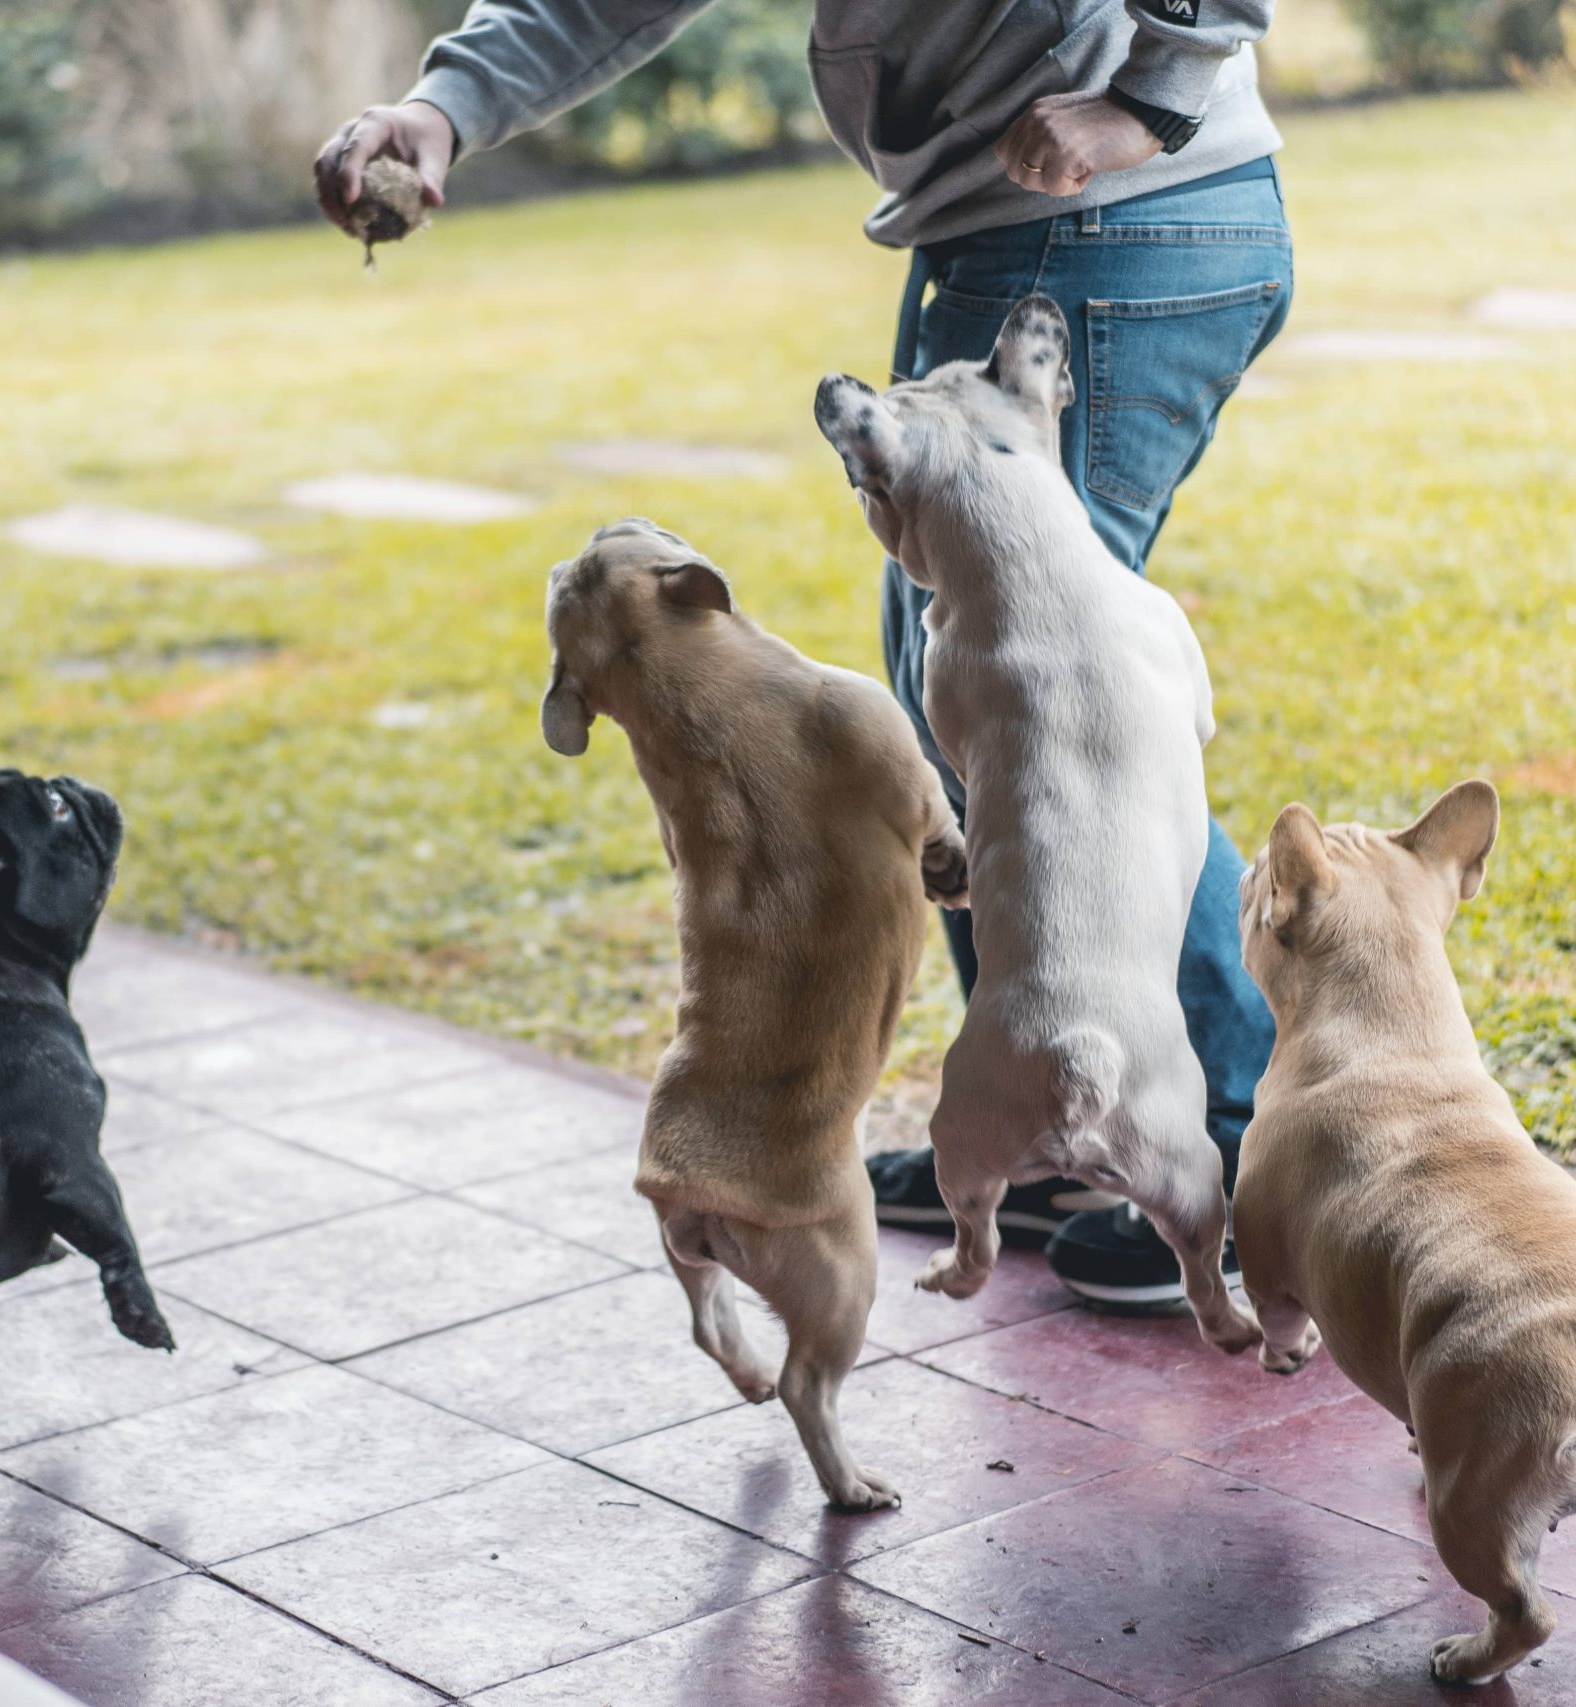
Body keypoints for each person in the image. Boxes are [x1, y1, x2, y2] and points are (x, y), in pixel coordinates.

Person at [315, 0, 1287, 1311]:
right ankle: (1069, 1132)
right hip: (1014, 224)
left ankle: (1229, 1155)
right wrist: (445, 107)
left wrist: (1152, 96)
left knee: (1067, 707)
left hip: (1114, 212)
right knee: (968, 702)